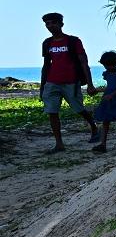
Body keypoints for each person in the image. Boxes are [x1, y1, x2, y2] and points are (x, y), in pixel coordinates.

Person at [39, 12, 99, 153]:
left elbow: (84, 62)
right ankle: (59, 144)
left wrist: (90, 84)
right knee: (52, 112)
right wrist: (42, 87)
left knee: (79, 109)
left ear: (61, 24)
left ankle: (94, 127)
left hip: (71, 82)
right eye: (47, 24)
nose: (50, 26)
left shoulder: (73, 41)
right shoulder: (47, 43)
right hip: (52, 82)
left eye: (53, 22)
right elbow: (46, 65)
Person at [92, 51, 116, 153]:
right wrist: (98, 90)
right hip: (109, 100)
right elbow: (109, 87)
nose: (105, 67)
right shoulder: (107, 74)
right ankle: (103, 144)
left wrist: (111, 95)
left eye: (106, 65)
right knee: (106, 121)